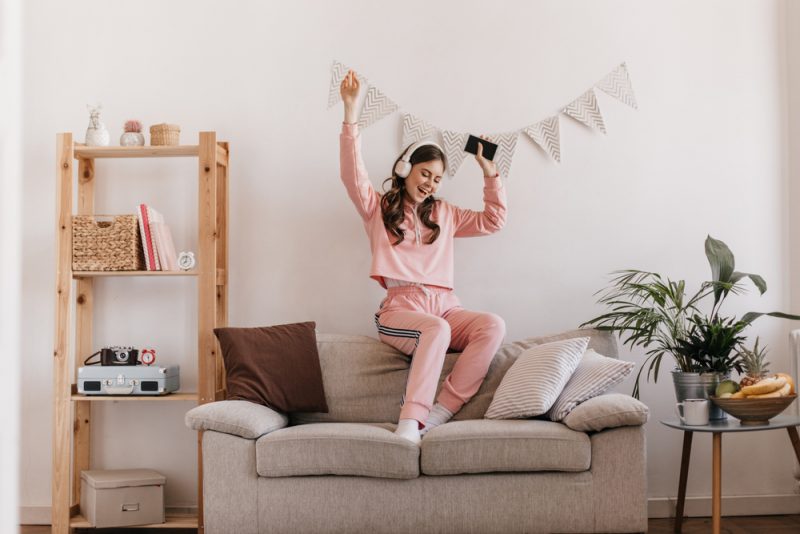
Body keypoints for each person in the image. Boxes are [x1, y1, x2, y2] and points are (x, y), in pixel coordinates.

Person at [339, 69, 507, 445]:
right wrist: (351, 112)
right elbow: (353, 176)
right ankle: (410, 423)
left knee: (492, 325)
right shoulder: (378, 208)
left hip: (446, 305)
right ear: (405, 169)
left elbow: (494, 220)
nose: (430, 183)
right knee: (436, 329)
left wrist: (489, 171)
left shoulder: (445, 214)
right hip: (401, 309)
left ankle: (441, 411)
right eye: (424, 173)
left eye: (436, 178)